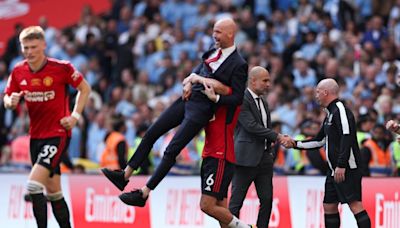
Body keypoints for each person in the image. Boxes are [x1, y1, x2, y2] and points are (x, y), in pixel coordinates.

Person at [101, 17, 248, 207]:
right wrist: (188, 82)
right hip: (187, 99)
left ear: (230, 34)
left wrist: (217, 99)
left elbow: (237, 98)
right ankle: (125, 174)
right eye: (214, 31)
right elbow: (196, 72)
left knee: (172, 150)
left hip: (202, 109)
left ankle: (144, 193)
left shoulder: (239, 64)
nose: (214, 35)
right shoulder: (212, 52)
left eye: (218, 32)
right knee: (152, 132)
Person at [3, 26, 91, 228]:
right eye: (25, 48)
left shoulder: (62, 68)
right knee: (54, 192)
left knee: (33, 185)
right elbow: (8, 98)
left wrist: (75, 117)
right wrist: (11, 101)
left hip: (58, 134)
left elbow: (85, 89)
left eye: (34, 47)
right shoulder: (18, 71)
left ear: (44, 45)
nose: (29, 52)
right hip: (35, 136)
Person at [289, 78, 371, 228]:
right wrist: (295, 144)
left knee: (355, 205)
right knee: (329, 206)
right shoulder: (330, 114)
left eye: (318, 92)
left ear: (326, 92)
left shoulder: (340, 110)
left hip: (347, 169)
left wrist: (341, 164)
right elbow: (319, 141)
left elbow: (347, 136)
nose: (316, 95)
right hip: (333, 170)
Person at [228, 66, 293, 228]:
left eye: (269, 81)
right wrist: (278, 137)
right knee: (236, 202)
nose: (268, 84)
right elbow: (251, 126)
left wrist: (270, 151)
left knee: (267, 200)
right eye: (265, 81)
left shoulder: (263, 101)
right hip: (245, 158)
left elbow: (264, 126)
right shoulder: (241, 100)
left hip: (264, 158)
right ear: (253, 81)